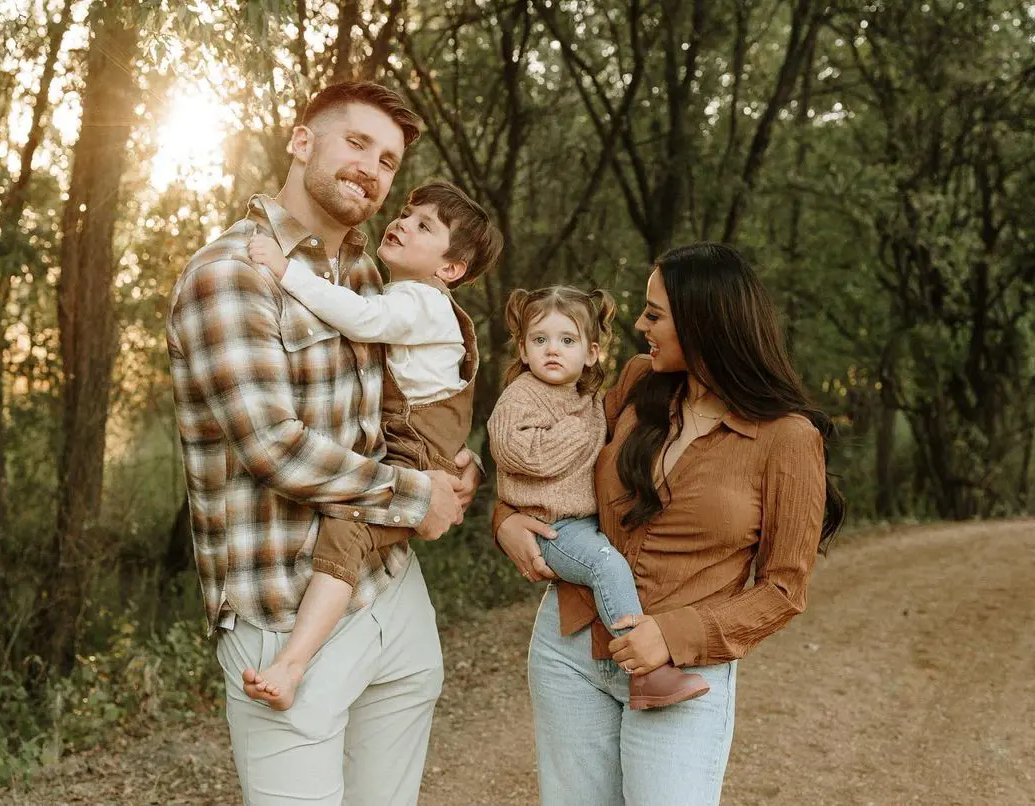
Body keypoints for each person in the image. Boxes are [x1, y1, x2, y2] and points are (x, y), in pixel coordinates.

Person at [167, 81, 482, 805]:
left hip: (392, 594)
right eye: (356, 143)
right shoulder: (230, 275)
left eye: (389, 160)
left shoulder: (370, 273)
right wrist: (416, 496)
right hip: (286, 614)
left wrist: (457, 464)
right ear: (302, 141)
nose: (372, 167)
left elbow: (421, 384)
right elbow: (273, 447)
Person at [494, 242, 846, 806]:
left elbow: (783, 589)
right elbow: (551, 465)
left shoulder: (788, 439)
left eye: (654, 313)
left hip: (681, 674)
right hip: (572, 652)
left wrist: (672, 635)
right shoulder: (636, 382)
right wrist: (506, 518)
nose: (639, 325)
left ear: (705, 324)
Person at [240, 180, 502, 710]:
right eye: (407, 212)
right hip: (420, 442)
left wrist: (284, 269)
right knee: (354, 523)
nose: (403, 222)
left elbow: (360, 319)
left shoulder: (423, 302)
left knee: (347, 528)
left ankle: (293, 664)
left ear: (449, 269)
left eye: (424, 225)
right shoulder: (410, 298)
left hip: (417, 449)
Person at [487, 286, 710, 710]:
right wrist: (582, 428)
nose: (552, 350)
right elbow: (520, 453)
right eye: (540, 340)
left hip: (580, 522)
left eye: (566, 341)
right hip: (552, 526)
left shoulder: (584, 398)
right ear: (523, 348)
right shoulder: (522, 394)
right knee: (606, 564)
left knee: (610, 558)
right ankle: (646, 671)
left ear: (591, 353)